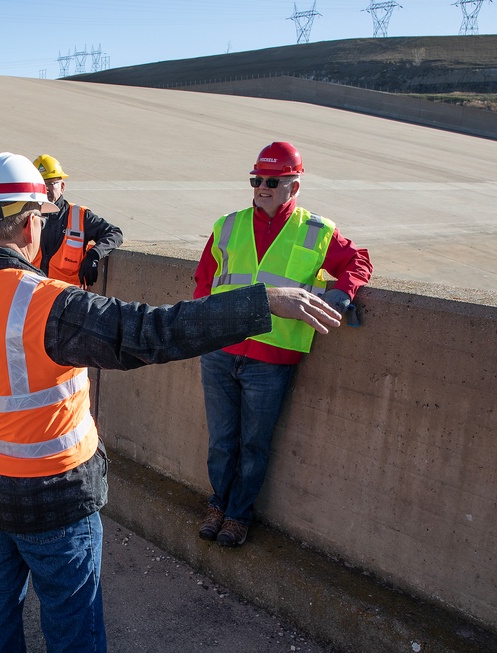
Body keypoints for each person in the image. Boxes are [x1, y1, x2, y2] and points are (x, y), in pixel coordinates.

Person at [0, 152, 341, 652]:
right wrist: (261, 301)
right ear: (31, 222)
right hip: (54, 500)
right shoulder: (50, 303)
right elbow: (153, 331)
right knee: (72, 621)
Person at [193, 141, 373, 547]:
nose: (262, 187)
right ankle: (217, 505)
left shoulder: (316, 231)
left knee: (254, 445)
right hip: (221, 351)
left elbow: (358, 262)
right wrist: (202, 328)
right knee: (222, 441)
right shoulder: (229, 224)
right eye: (257, 179)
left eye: (272, 181)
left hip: (271, 359)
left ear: (294, 185)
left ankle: (238, 516)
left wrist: (342, 296)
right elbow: (204, 281)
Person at [31, 154, 124, 289]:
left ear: (62, 186)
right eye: (41, 184)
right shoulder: (25, 216)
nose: (46, 189)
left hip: (68, 300)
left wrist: (94, 254)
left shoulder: (79, 216)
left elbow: (115, 233)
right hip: (34, 297)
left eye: (51, 183)